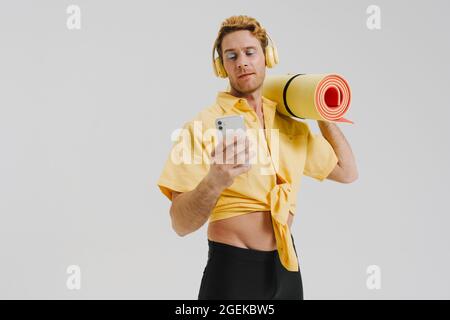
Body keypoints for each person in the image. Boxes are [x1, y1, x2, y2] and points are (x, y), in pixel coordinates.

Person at [157, 15, 358, 300]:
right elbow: (180, 223)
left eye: (250, 52)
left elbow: (347, 171)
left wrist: (320, 112)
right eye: (231, 55)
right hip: (233, 272)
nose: (242, 62)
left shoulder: (290, 124)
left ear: (267, 56)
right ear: (221, 66)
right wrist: (215, 181)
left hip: (287, 269)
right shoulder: (203, 126)